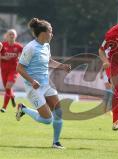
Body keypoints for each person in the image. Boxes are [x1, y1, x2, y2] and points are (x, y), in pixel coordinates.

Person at [15, 18, 71, 149]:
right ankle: (23, 109)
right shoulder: (30, 48)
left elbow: (49, 61)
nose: (52, 34)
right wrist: (31, 81)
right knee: (47, 120)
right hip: (33, 88)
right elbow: (19, 68)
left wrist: (62, 66)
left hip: (46, 85)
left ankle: (56, 143)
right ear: (43, 33)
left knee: (59, 112)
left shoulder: (46, 45)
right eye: (50, 31)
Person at [0, 29, 23, 112]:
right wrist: (3, 57)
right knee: (7, 89)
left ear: (15, 36)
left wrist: (21, 59)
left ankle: (4, 107)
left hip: (14, 70)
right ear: (6, 35)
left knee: (8, 86)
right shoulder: (2, 45)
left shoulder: (19, 46)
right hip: (4, 70)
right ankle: (12, 96)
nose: (11, 36)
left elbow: (25, 55)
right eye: (10, 34)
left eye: (13, 34)